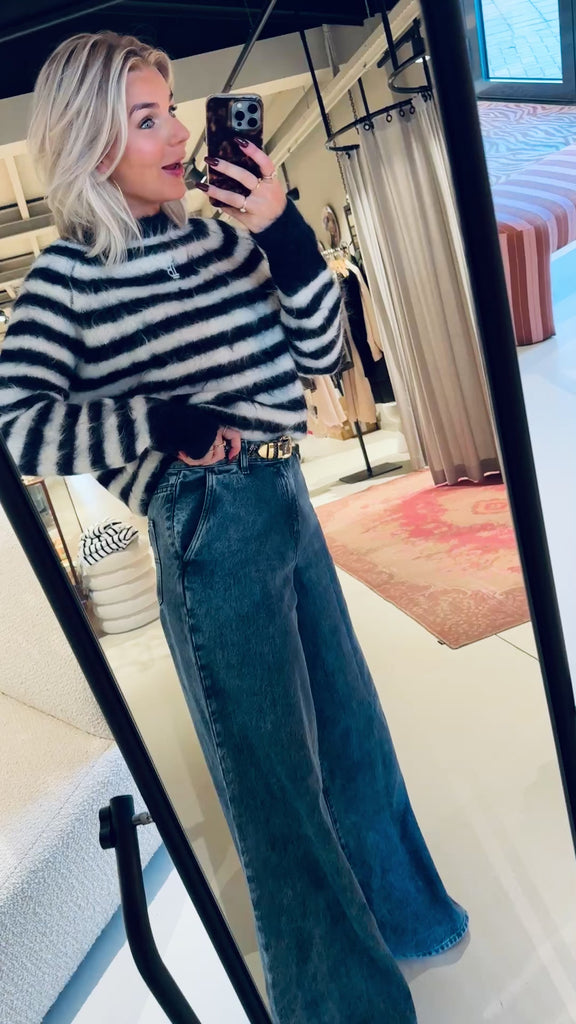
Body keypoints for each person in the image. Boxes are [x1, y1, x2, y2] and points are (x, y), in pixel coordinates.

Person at [0, 31, 468, 1024]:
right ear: (91, 142)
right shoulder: (64, 281)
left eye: (171, 110)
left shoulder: (223, 239)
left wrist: (285, 234)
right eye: (147, 119)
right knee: (275, 786)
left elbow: (321, 351)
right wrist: (155, 423)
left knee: (353, 735)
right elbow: (19, 425)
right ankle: (342, 1006)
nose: (179, 133)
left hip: (287, 494)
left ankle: (407, 918)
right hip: (206, 526)